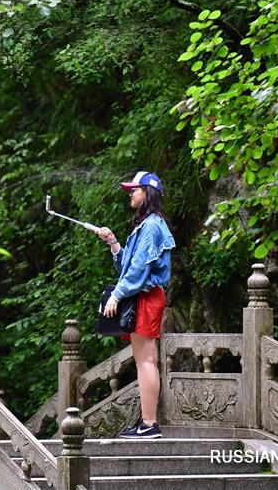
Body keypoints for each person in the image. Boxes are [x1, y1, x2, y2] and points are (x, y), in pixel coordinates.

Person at [95, 171, 175, 439]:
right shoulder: (146, 225)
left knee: (146, 361)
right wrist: (114, 243)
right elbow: (126, 266)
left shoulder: (152, 226)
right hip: (143, 295)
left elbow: (138, 271)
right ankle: (147, 423)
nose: (130, 193)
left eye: (134, 189)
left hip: (147, 296)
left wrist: (116, 295)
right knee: (144, 360)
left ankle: (150, 424)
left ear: (148, 193)